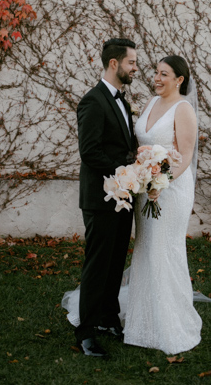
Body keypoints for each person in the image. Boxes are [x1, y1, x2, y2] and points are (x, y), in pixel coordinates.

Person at [123, 55, 202, 354]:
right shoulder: (150, 104)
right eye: (156, 72)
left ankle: (171, 323)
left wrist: (161, 182)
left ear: (179, 80)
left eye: (164, 74)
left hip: (172, 190)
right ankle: (142, 322)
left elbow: (185, 155)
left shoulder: (184, 110)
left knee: (164, 249)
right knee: (145, 248)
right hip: (146, 188)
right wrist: (141, 177)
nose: (156, 78)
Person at [74, 37, 138, 358]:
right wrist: (125, 169)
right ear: (114, 64)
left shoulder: (121, 100)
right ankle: (85, 333)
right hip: (101, 200)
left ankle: (108, 319)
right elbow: (90, 153)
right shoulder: (93, 101)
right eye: (131, 63)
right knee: (97, 265)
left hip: (123, 198)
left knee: (115, 263)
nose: (135, 68)